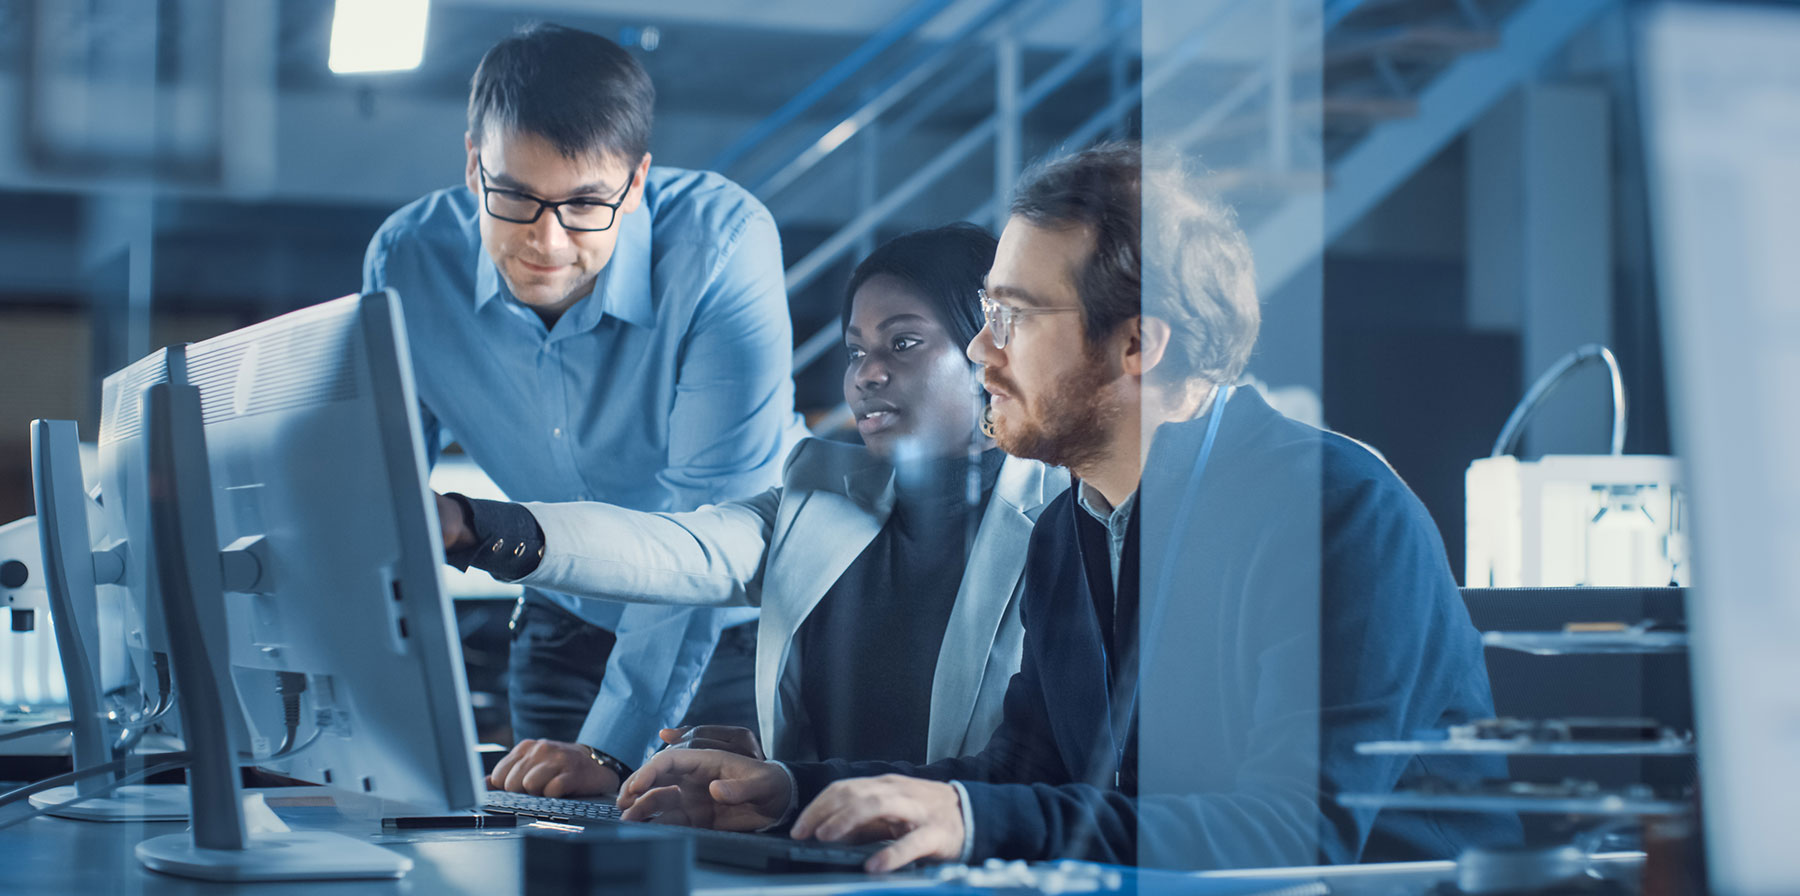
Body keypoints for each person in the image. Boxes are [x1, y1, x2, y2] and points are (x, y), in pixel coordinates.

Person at [610, 143, 1523, 871]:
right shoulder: (1071, 523)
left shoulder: (1337, 513)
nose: (977, 350)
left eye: (1011, 315)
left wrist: (975, 817)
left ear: (1136, 344)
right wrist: (787, 793)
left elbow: (1290, 837)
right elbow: (1024, 777)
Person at [436, 224, 1070, 796]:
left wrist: (783, 777)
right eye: (855, 350)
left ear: (988, 351)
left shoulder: (1069, 519)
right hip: (822, 863)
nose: (867, 374)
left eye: (903, 342)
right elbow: (675, 549)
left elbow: (1038, 775)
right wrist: (474, 527)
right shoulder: (818, 490)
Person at [362, 23, 801, 796]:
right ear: (473, 165)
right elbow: (380, 492)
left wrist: (610, 748)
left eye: (586, 204)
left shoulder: (722, 247)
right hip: (562, 620)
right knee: (540, 854)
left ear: (635, 184)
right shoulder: (406, 261)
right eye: (516, 196)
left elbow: (710, 536)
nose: (548, 240)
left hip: (732, 632)